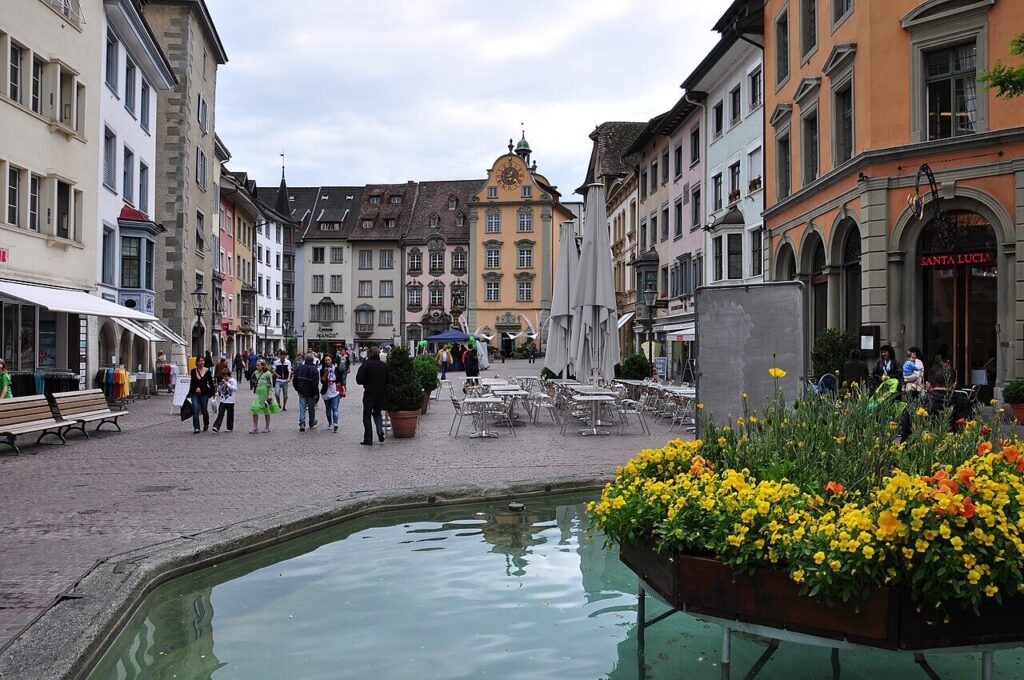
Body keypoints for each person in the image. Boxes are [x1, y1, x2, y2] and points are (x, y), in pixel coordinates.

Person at [355, 346, 388, 446]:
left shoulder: (366, 365)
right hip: (381, 393)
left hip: (369, 393)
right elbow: (389, 380)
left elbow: (359, 380)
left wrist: (367, 381)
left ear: (369, 353)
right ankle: (380, 431)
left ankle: (368, 438)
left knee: (367, 415)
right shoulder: (384, 365)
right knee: (377, 413)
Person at [250, 359, 280, 433]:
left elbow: (270, 385)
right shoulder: (255, 373)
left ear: (263, 365)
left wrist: (269, 394)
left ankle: (267, 427)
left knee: (266, 411)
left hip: (265, 394)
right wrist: (255, 384)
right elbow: (253, 380)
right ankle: (255, 427)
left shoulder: (268, 374)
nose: (257, 367)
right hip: (258, 394)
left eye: (258, 365)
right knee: (254, 409)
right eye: (256, 365)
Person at [292, 352, 320, 431]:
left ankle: (302, 423)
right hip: (311, 392)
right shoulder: (314, 369)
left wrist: (297, 388)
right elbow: (315, 383)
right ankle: (311, 422)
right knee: (311, 408)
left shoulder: (300, 367)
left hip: (301, 390)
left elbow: (295, 380)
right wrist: (315, 393)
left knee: (302, 407)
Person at [188, 357, 215, 433]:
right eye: (200, 361)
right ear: (197, 362)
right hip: (194, 394)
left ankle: (206, 424)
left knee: (204, 410)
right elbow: (192, 382)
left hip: (204, 393)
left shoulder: (207, 371)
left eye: (203, 360)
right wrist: (191, 392)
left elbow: (210, 383)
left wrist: (213, 393)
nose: (202, 362)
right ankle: (196, 427)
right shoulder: (193, 371)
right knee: (195, 410)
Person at [320, 355, 342, 433]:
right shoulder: (322, 369)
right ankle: (330, 423)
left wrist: (342, 388)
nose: (327, 361)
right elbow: (322, 381)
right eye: (326, 360)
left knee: (335, 408)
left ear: (331, 360)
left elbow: (340, 380)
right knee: (328, 410)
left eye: (329, 360)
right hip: (326, 392)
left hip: (335, 391)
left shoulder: (336, 369)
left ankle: (335, 424)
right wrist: (325, 373)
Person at [212, 367, 237, 432]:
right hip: (223, 400)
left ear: (229, 375)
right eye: (223, 376)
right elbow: (220, 390)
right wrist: (220, 388)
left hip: (231, 401)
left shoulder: (233, 380)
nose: (224, 377)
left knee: (230, 415)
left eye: (226, 376)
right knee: (220, 413)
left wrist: (227, 384)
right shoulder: (222, 381)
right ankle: (216, 427)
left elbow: (235, 388)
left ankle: (229, 428)